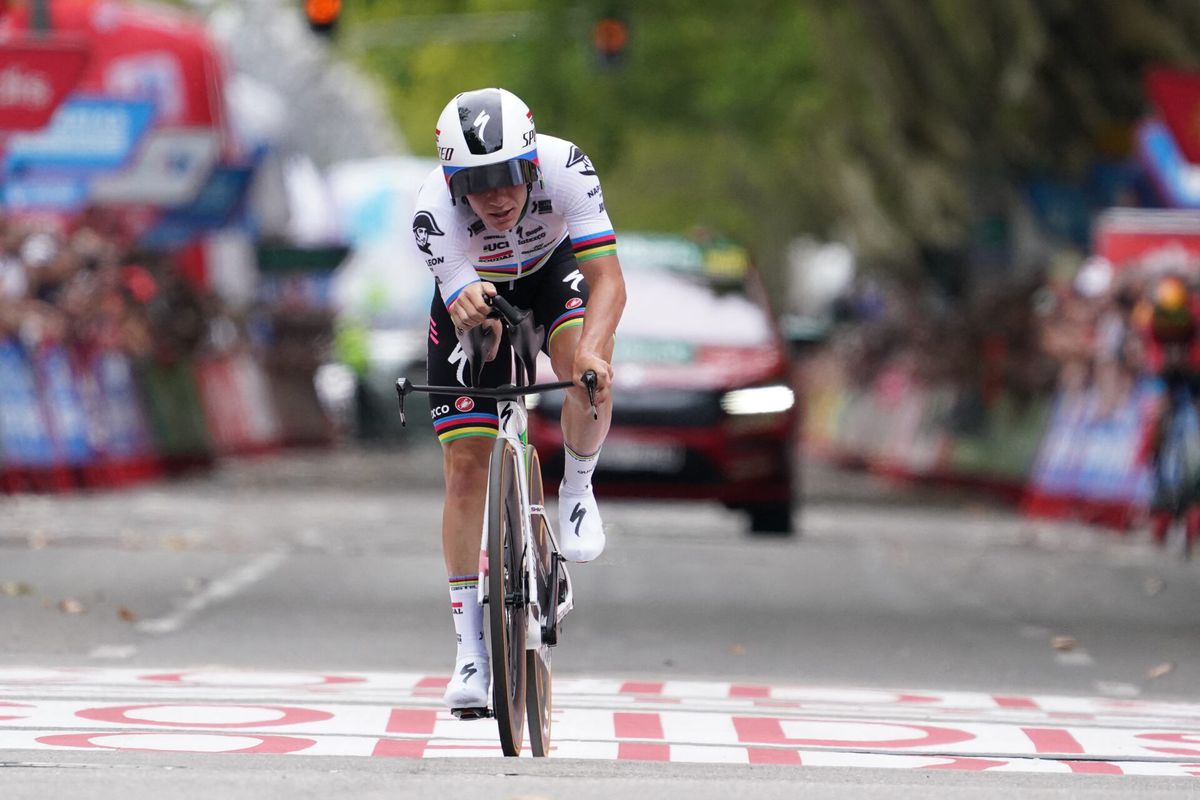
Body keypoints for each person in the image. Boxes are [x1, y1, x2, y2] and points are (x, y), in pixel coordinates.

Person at [410, 88, 626, 713]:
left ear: (532, 166)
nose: (498, 198)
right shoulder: (432, 215)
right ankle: (470, 651)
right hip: (475, 290)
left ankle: (577, 488)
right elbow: (464, 312)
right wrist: (471, 309)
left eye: (508, 178)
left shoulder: (568, 169)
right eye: (478, 185)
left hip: (554, 272)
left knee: (582, 370)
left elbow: (609, 278)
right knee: (465, 465)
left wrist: (592, 351)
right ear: (454, 185)